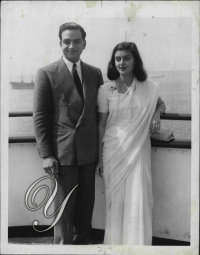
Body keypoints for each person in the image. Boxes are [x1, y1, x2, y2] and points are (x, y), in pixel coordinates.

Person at [33, 22, 103, 245]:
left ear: (84, 43)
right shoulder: (46, 73)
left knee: (85, 209)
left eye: (76, 41)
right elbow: (41, 117)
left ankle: (83, 247)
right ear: (60, 44)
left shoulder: (95, 73)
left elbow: (100, 111)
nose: (71, 46)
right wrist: (46, 155)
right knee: (63, 212)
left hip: (88, 154)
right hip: (62, 155)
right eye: (66, 41)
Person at [96, 42, 166, 245]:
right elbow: (101, 125)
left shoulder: (149, 87)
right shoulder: (105, 89)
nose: (121, 62)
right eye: (117, 58)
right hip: (112, 151)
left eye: (126, 58)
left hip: (138, 149)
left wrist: (156, 114)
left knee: (138, 197)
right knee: (116, 201)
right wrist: (98, 158)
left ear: (135, 61)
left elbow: (160, 103)